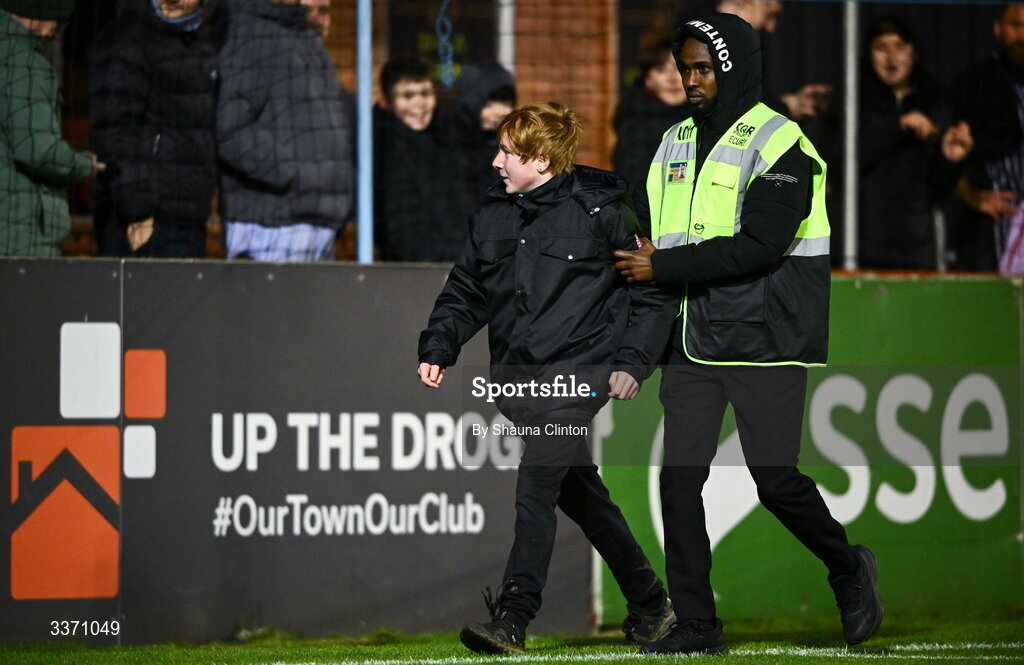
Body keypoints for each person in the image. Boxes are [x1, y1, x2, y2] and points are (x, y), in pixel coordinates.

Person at [613, 15, 882, 655]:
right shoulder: (671, 140)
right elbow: (650, 227)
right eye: (684, 70)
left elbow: (761, 247)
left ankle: (848, 568)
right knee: (677, 483)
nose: (692, 81)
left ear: (734, 68)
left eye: (703, 69)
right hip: (692, 337)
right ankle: (700, 626)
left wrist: (664, 265)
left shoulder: (784, 144)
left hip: (764, 337)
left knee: (774, 479)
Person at [417, 102, 676, 655]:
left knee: (535, 490)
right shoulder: (493, 214)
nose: (496, 162)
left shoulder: (602, 210)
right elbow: (466, 290)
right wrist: (440, 344)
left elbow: (650, 294)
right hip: (520, 381)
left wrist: (632, 363)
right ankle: (652, 605)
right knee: (582, 497)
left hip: (577, 377)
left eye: (508, 153)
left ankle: (513, 618)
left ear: (540, 159)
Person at [216, 0, 353, 262]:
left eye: (324, 11)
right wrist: (295, 175)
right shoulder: (252, 33)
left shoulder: (306, 42)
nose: (318, 19)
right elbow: (230, 129)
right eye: (313, 9)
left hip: (319, 222)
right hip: (273, 224)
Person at [90, 0, 217, 259]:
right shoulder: (128, 39)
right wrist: (137, 211)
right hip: (143, 221)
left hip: (189, 216)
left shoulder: (202, 43)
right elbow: (116, 132)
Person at [858, 16, 972, 269]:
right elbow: (840, 160)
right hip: (861, 244)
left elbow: (939, 186)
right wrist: (897, 126)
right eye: (881, 48)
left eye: (899, 47)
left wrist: (950, 158)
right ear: (869, 55)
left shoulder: (933, 101)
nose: (891, 57)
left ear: (914, 52)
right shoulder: (853, 98)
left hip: (917, 245)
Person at [1, 0, 105, 257]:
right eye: (58, 23)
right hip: (19, 237)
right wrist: (85, 165)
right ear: (36, 16)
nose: (56, 33)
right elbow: (38, 150)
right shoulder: (26, 65)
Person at [947, 4, 1024, 270]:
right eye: (1016, 26)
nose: (1023, 36)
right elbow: (944, 158)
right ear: (997, 28)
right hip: (995, 228)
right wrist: (973, 195)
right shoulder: (975, 83)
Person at [374, 57, 469, 262]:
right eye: (407, 96)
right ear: (386, 102)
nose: (419, 104)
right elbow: (398, 225)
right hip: (411, 269)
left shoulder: (447, 144)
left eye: (425, 93)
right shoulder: (383, 149)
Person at [612, 30, 688, 194]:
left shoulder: (710, 120)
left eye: (679, 68)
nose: (672, 78)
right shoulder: (635, 128)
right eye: (661, 70)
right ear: (648, 79)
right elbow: (632, 190)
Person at [455, 61, 516, 210]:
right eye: (489, 105)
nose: (499, 112)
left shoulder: (511, 145)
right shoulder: (450, 146)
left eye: (506, 103)